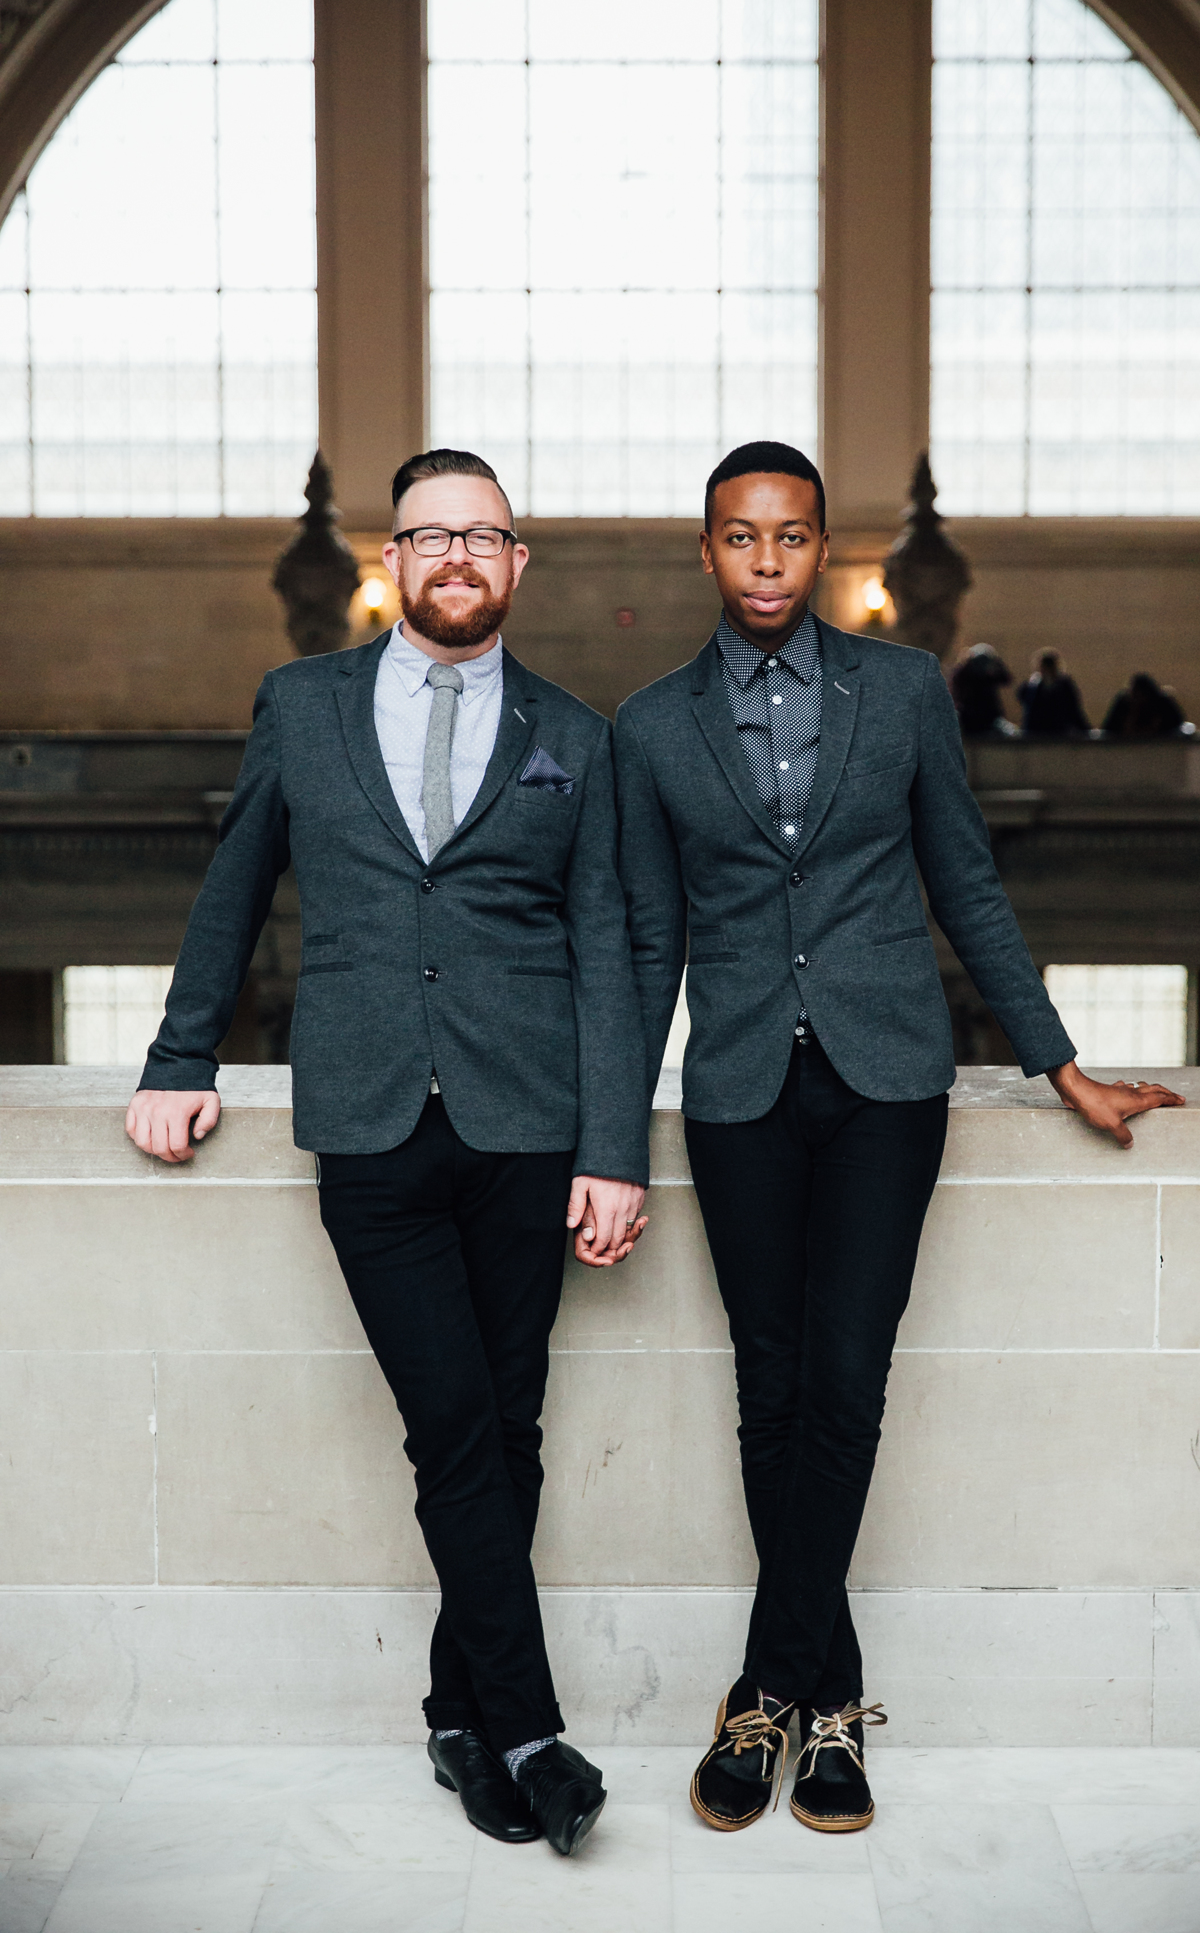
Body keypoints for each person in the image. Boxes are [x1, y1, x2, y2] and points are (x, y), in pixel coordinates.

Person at [612, 439, 1183, 1837]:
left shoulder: (903, 693)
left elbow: (966, 886)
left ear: (824, 551)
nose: (764, 561)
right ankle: (831, 1712)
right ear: (706, 552)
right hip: (739, 1085)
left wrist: (1056, 1062)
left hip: (885, 1086)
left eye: (790, 538)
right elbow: (641, 947)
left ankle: (764, 1691)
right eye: (739, 538)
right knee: (770, 1387)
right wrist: (608, 1136)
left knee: (846, 1382)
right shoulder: (647, 727)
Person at [124, 448, 649, 1858]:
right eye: (431, 534)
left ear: (517, 563)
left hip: (528, 1128)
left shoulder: (575, 736)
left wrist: (617, 1148)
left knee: (511, 1431)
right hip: (367, 1120)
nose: (458, 556)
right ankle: (532, 1729)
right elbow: (233, 886)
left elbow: (603, 943)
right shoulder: (300, 709)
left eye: (484, 535)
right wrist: (180, 1058)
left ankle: (455, 1711)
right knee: (456, 1425)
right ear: (393, 559)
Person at [1017, 648, 1091, 737]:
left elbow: (1073, 708)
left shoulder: (1063, 684)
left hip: (1056, 729)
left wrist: (1085, 729)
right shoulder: (1033, 685)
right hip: (1040, 730)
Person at [948, 643, 1017, 736]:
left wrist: (996, 664)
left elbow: (1006, 679)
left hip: (989, 714)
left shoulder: (988, 675)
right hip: (969, 714)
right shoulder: (965, 673)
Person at [1102, 671, 1189, 738]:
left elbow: (1177, 726)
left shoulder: (1163, 704)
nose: (1138, 700)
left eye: (1140, 696)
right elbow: (1109, 729)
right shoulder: (1124, 704)